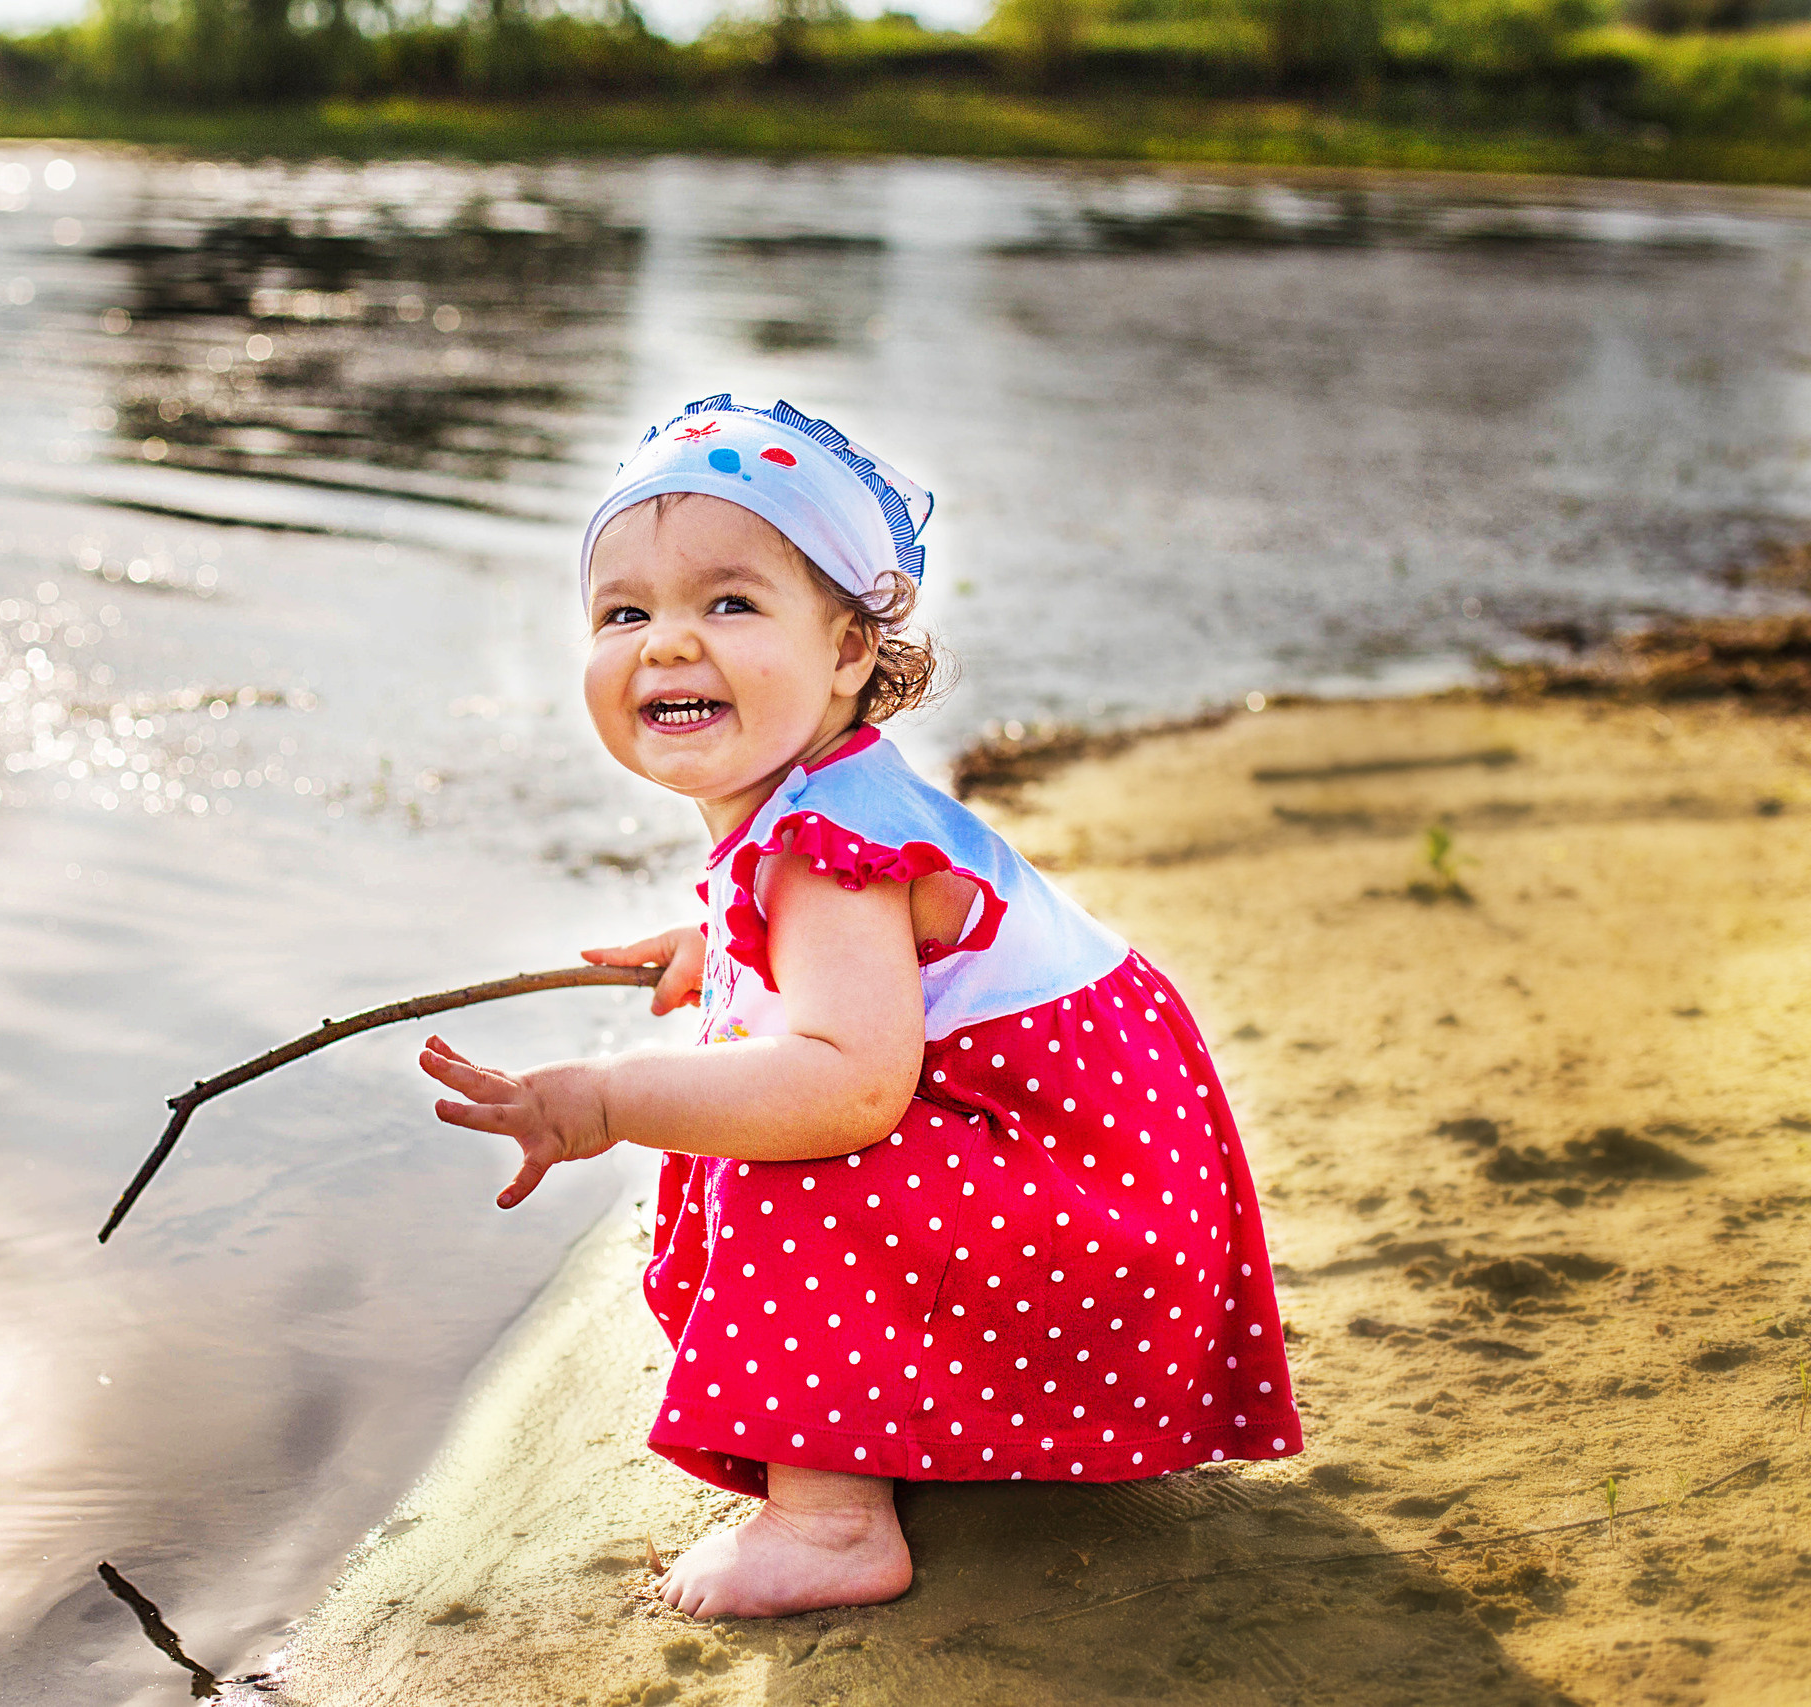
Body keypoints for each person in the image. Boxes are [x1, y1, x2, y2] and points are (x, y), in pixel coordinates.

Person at [417, 396, 1300, 1622]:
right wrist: (718, 951)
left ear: (845, 653)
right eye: (626, 613)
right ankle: (893, 1427)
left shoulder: (827, 850)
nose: (667, 644)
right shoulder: (826, 807)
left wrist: (610, 1097)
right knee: (759, 1077)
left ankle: (829, 1524)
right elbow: (886, 972)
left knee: (789, 1141)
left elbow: (850, 1083)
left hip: (1102, 1203)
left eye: (729, 602)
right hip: (1103, 1167)